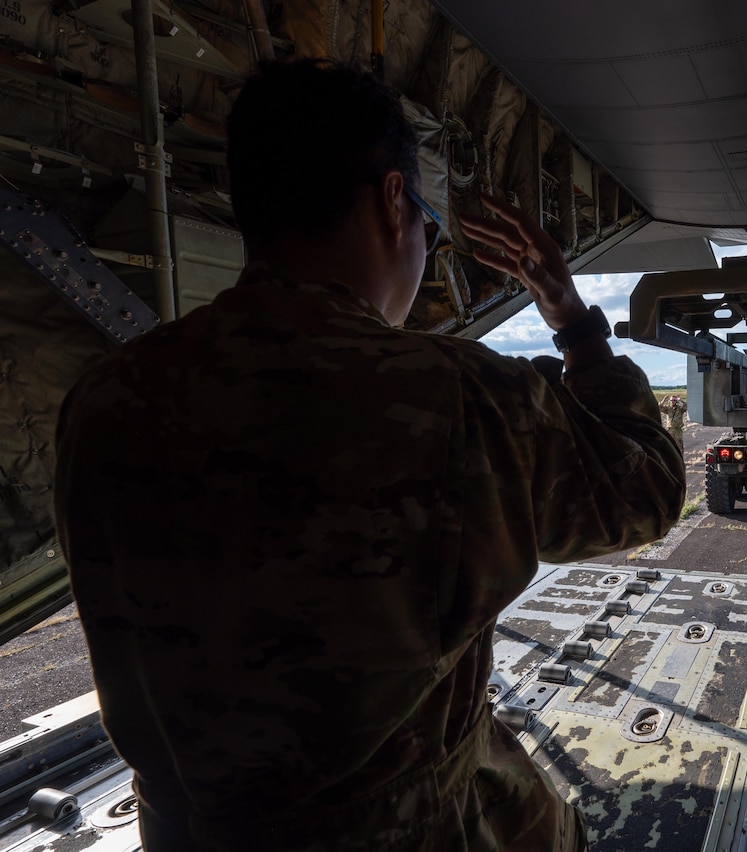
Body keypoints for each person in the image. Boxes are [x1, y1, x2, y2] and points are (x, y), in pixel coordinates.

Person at [53, 60, 685, 852]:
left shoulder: (104, 401)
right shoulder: (458, 398)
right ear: (394, 202)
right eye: (428, 222)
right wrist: (572, 320)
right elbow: (650, 491)